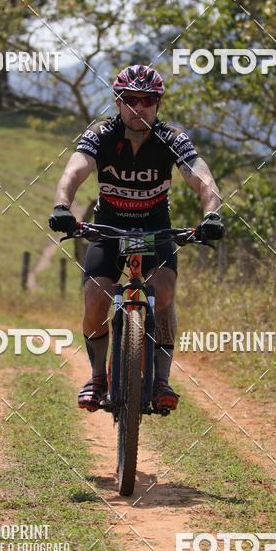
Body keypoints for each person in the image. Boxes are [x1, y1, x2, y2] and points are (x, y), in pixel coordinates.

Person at [48, 64, 224, 413]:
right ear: (118, 101)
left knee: (165, 294)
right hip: (109, 229)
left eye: (146, 101)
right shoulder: (100, 134)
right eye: (130, 100)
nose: (137, 107)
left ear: (157, 104)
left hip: (155, 229)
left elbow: (200, 176)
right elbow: (75, 170)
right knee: (96, 300)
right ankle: (98, 376)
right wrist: (61, 206)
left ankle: (161, 379)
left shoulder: (171, 137)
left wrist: (212, 214)